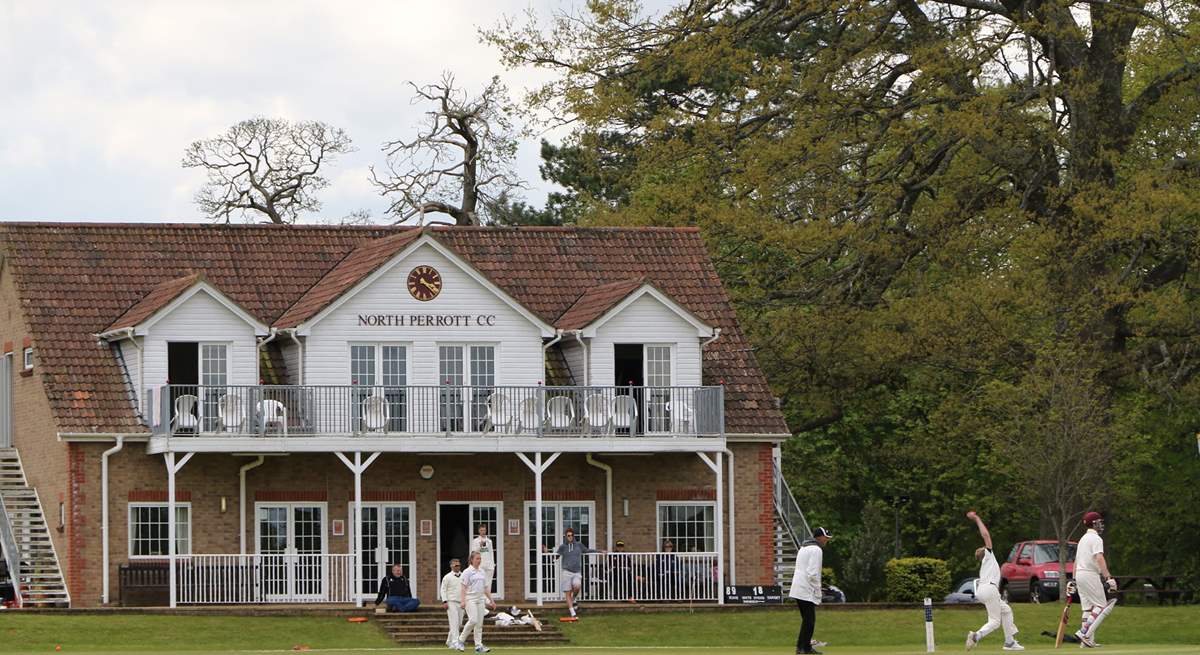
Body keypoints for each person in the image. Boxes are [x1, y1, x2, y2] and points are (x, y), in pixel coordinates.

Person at [964, 511, 1024, 651]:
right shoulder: (989, 555)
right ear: (985, 551)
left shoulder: (986, 563)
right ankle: (976, 636)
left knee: (1007, 610)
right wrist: (977, 518)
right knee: (995, 621)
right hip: (990, 590)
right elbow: (986, 535)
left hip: (983, 590)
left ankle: (1009, 642)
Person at [1074, 511, 1118, 648]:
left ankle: (1086, 643)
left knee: (1088, 609)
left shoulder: (1083, 539)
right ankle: (1084, 633)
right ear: (1094, 523)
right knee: (1101, 606)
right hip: (1089, 574)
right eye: (1099, 522)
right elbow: (1099, 558)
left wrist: (1074, 580)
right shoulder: (1096, 539)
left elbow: (1076, 561)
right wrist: (1108, 577)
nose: (1101, 525)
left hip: (1080, 575)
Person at [544, 527, 603, 617]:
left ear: (573, 536)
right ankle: (572, 612)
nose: (570, 537)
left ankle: (573, 598)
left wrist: (599, 551)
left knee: (577, 586)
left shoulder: (579, 545)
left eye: (571, 535)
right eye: (568, 536)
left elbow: (587, 550)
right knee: (567, 592)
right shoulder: (563, 547)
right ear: (566, 536)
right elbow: (555, 557)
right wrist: (547, 553)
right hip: (566, 572)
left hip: (577, 572)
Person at [789, 527, 831, 655]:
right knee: (809, 621)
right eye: (826, 537)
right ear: (819, 537)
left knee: (807, 620)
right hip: (806, 589)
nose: (827, 540)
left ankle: (802, 647)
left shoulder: (804, 547)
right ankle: (803, 648)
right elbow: (812, 573)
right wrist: (818, 591)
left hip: (798, 587)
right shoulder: (816, 549)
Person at [453, 551, 496, 653]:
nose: (479, 560)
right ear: (471, 560)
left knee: (479, 624)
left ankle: (478, 646)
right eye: (477, 558)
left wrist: (491, 601)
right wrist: (462, 601)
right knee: (473, 620)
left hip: (480, 599)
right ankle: (460, 641)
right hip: (470, 599)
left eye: (480, 558)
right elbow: (463, 588)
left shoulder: (482, 571)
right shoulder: (467, 572)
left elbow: (485, 588)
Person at [440, 558, 465, 648]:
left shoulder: (463, 576)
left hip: (461, 602)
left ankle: (449, 641)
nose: (457, 566)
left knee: (459, 623)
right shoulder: (447, 577)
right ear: (451, 566)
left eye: (458, 564)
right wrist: (444, 601)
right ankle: (455, 642)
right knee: (454, 622)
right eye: (455, 565)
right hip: (451, 602)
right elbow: (443, 589)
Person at [470, 524, 496, 590]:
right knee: (480, 583)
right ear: (479, 531)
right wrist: (480, 546)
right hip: (480, 565)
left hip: (489, 565)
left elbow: (491, 553)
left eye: (484, 530)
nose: (483, 532)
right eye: (481, 530)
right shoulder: (475, 541)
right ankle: (481, 599)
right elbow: (473, 553)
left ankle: (488, 600)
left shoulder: (489, 541)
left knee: (488, 584)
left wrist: (492, 565)